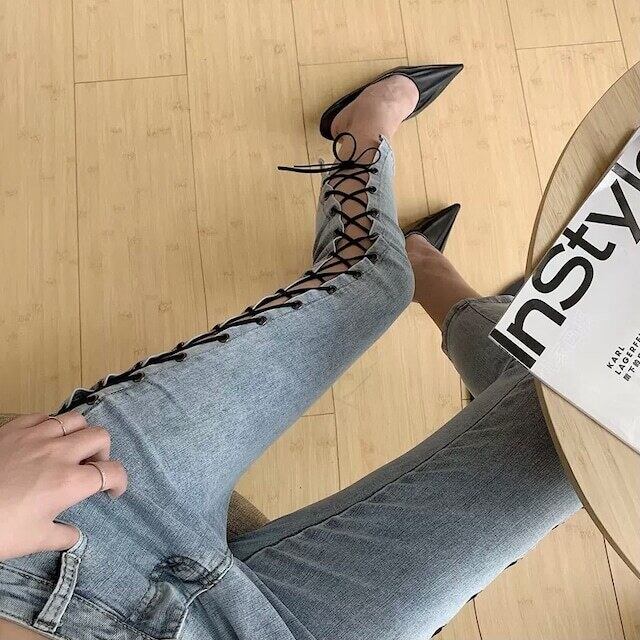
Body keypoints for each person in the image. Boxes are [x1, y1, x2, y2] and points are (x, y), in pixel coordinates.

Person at [0, 66, 580, 640]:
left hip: (76, 533)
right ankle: (427, 270)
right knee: (573, 424)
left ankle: (367, 155)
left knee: (374, 284)